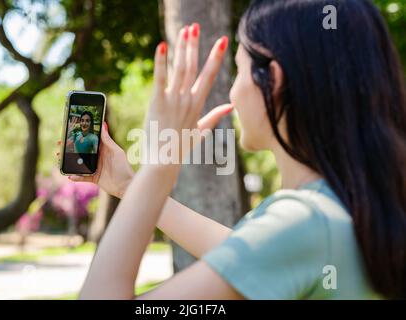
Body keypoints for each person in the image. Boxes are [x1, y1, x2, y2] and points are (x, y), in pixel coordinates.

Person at [65, 0, 406, 299]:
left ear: (273, 80)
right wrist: (130, 185)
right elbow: (244, 250)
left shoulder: (305, 223)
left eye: (238, 71)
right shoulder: (345, 210)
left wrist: (159, 167)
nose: (232, 93)